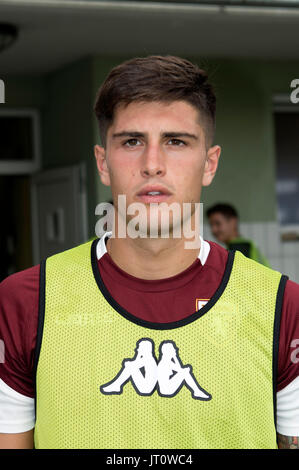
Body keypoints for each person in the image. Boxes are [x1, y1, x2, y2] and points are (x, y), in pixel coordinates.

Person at [0, 55, 299, 449]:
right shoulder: (25, 300)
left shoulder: (283, 306)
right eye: (132, 141)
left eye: (176, 141)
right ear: (103, 164)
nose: (152, 164)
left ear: (209, 165)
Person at [206, 203, 270, 267]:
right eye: (211, 225)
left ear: (233, 222)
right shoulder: (247, 244)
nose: (213, 230)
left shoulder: (239, 248)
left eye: (218, 223)